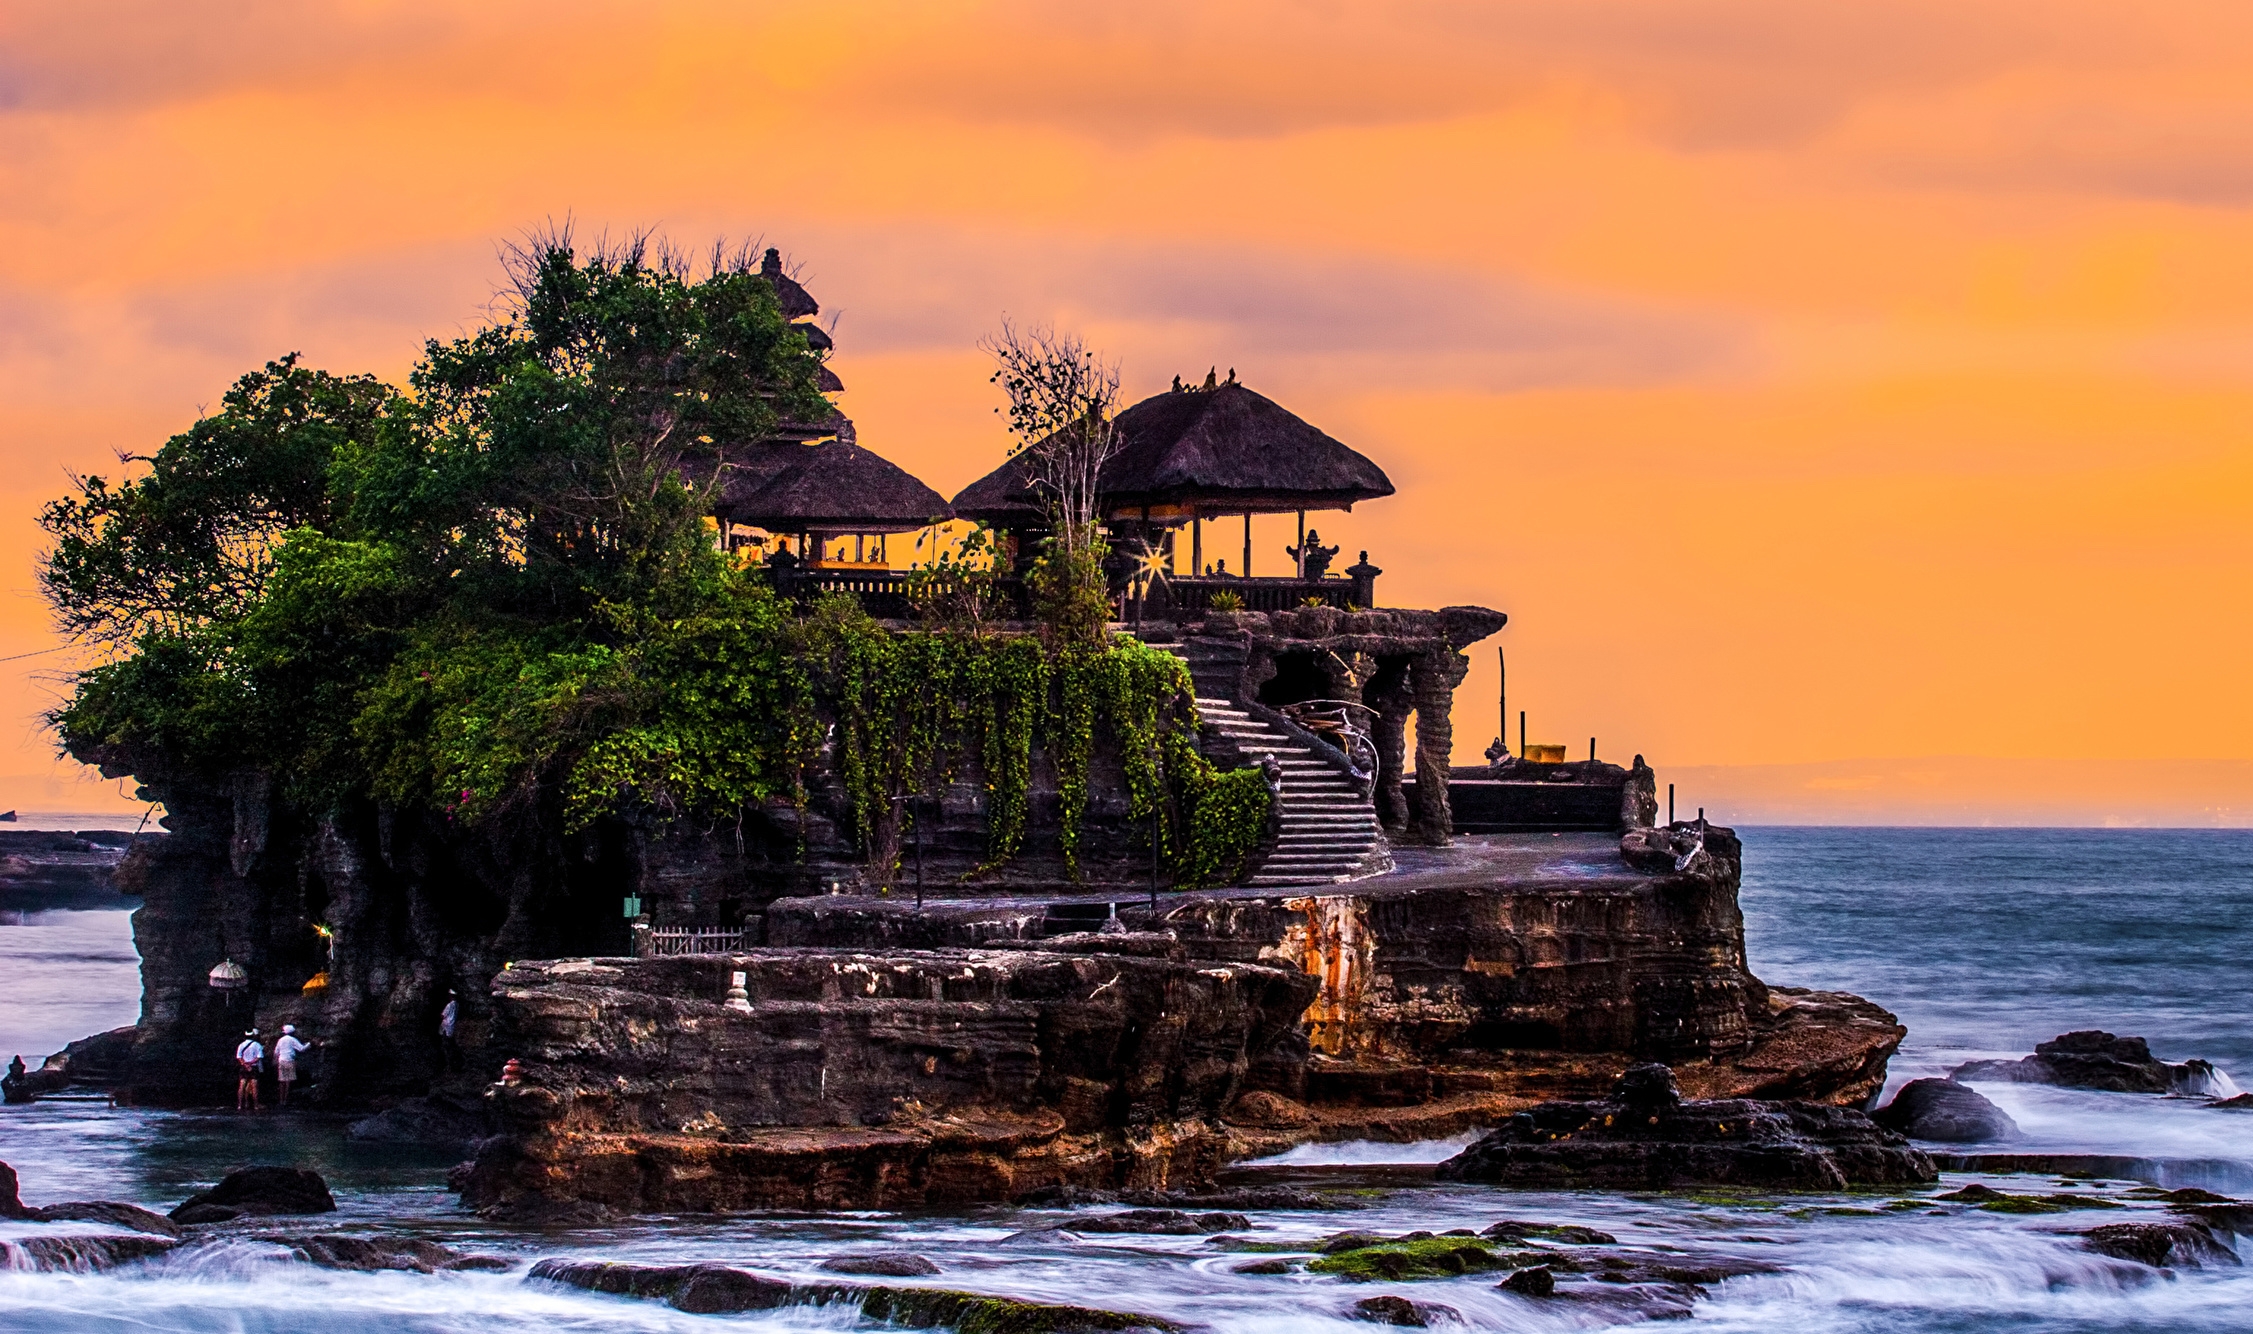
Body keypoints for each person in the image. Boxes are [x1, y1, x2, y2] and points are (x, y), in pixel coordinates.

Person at [273, 1024, 314, 1106]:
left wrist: (275, 1060)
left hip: (281, 1060)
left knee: (282, 1081)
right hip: (289, 1060)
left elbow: (276, 1052)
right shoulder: (292, 1040)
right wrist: (309, 1043)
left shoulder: (280, 1040)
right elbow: (301, 1049)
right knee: (288, 1081)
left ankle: (281, 1100)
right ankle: (286, 1100)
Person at [234, 1030, 264, 1111]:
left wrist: (245, 1064)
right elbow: (259, 1057)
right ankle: (256, 1105)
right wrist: (250, 1063)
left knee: (241, 1086)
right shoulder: (257, 1045)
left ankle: (240, 1105)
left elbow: (239, 1057)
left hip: (243, 1067)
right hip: (253, 1067)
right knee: (254, 1087)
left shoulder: (241, 1045)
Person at [439, 991, 460, 1072]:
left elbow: (443, 1015)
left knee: (446, 1046)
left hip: (446, 1027)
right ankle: (453, 1065)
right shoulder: (457, 1005)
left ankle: (449, 1066)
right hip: (452, 1027)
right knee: (450, 1045)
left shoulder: (449, 1005)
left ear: (451, 996)